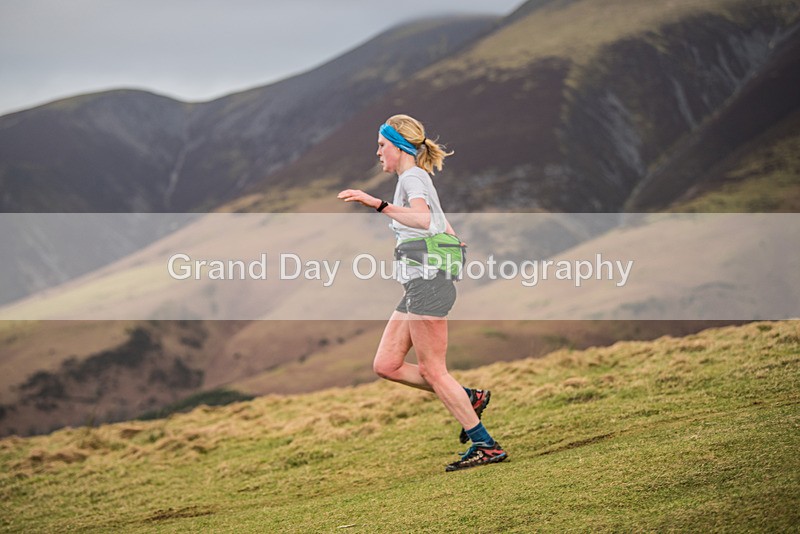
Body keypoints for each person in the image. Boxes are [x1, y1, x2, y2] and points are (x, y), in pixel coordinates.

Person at [337, 114, 507, 472]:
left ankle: (485, 445)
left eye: (382, 145)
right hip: (420, 283)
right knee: (386, 364)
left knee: (433, 370)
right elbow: (438, 222)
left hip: (428, 284)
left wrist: (377, 204)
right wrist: (452, 240)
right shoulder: (412, 178)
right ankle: (469, 397)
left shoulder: (413, 177)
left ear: (399, 147)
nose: (378, 152)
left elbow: (424, 218)